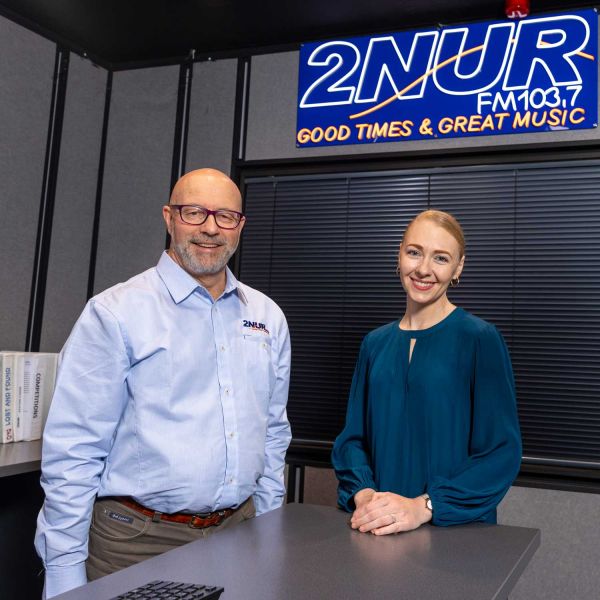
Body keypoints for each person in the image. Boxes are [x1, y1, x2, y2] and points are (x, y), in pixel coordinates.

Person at [35, 168, 292, 598]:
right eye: (195, 213)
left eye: (226, 217)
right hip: (138, 542)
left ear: (240, 227)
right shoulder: (115, 313)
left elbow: (272, 432)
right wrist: (63, 572)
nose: (211, 228)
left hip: (240, 532)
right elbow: (73, 451)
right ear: (169, 218)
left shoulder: (267, 317)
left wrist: (269, 529)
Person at [332, 209, 521, 535]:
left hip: (455, 533)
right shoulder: (374, 344)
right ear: (399, 256)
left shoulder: (480, 339)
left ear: (458, 267)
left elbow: (501, 454)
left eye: (441, 258)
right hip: (376, 528)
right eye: (414, 252)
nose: (423, 269)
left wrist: (424, 506)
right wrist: (365, 497)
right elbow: (352, 439)